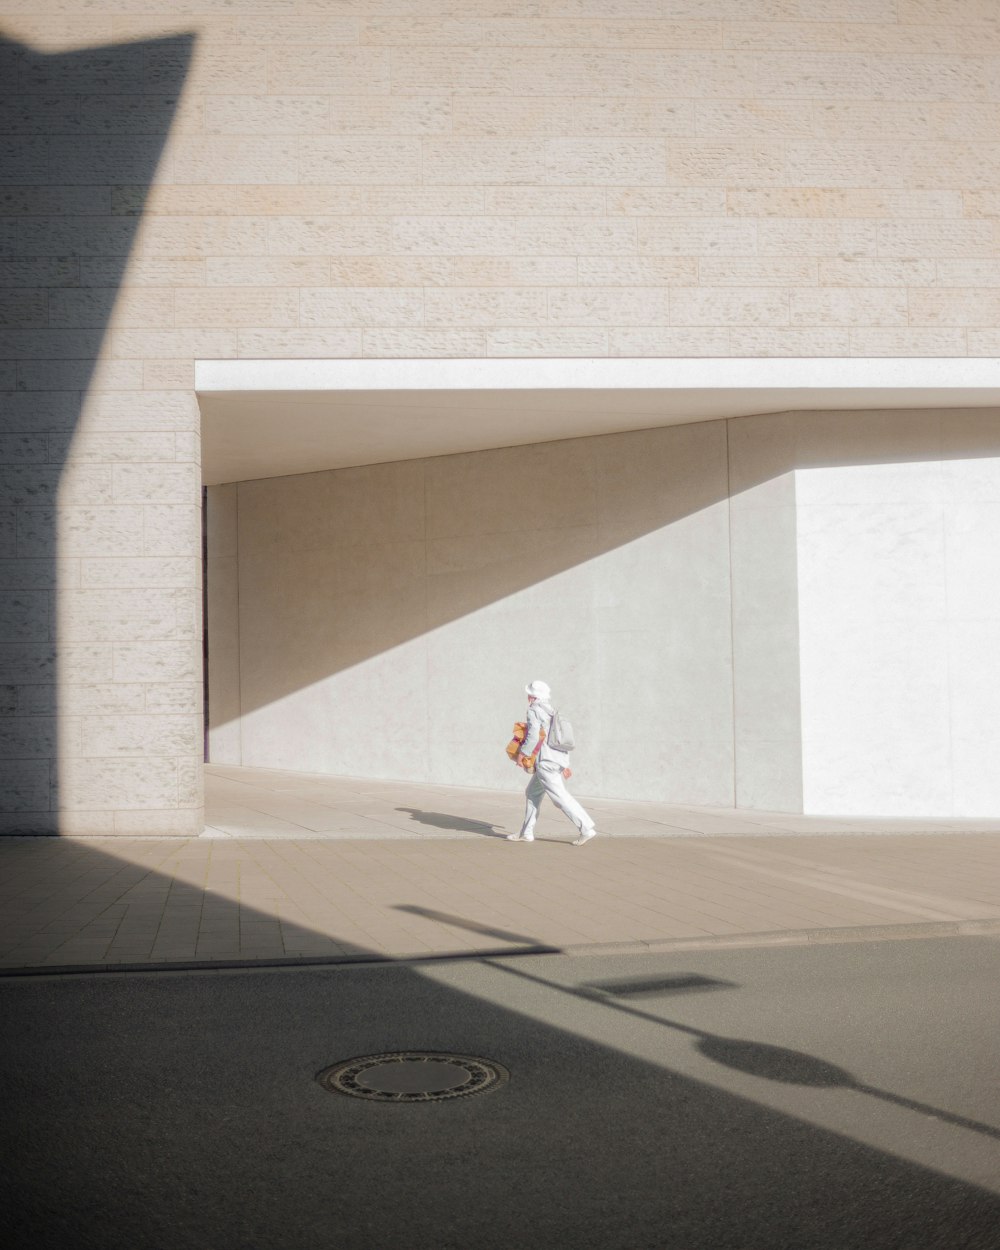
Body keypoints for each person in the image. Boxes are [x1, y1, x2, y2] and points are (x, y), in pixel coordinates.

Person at [508, 680, 597, 846]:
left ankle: (586, 828)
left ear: (533, 696)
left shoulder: (534, 710)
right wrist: (565, 764)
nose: (528, 696)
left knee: (560, 797)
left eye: (529, 694)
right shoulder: (552, 712)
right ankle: (526, 832)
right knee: (532, 793)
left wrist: (522, 754)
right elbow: (561, 739)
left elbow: (533, 736)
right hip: (556, 760)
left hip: (545, 762)